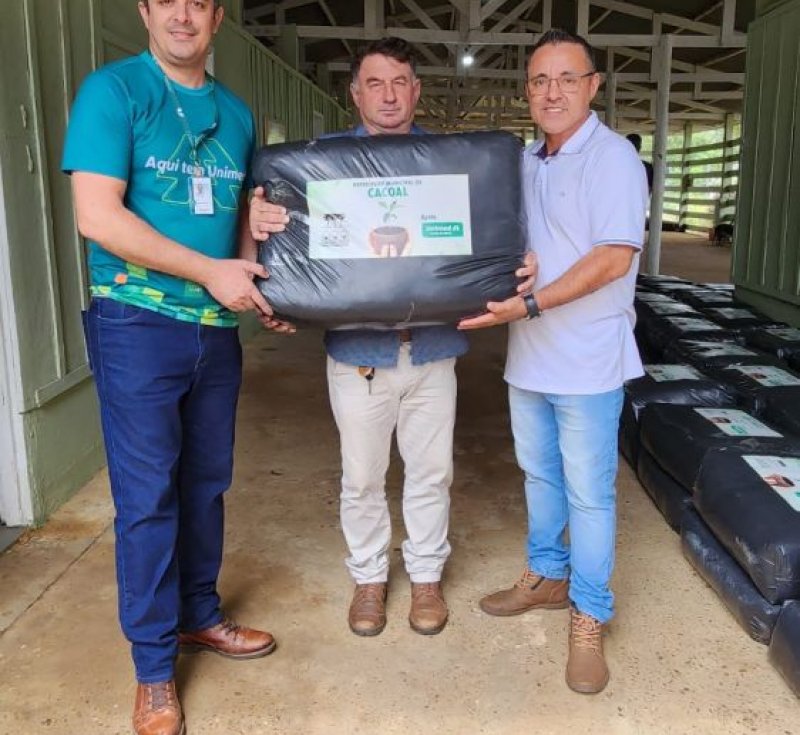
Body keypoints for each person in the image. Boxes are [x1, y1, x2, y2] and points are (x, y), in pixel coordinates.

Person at [249, 37, 535, 638]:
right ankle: (370, 578)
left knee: (431, 473)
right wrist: (258, 224)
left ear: (416, 91)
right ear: (355, 94)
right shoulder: (319, 169)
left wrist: (522, 264)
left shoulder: (452, 164)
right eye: (374, 83)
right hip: (359, 359)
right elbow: (286, 245)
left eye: (399, 82)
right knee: (361, 478)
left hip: (433, 354)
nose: (388, 95)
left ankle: (426, 576)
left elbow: (496, 231)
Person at [62, 2, 287, 733]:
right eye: (168, 0)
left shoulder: (237, 115)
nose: (182, 15)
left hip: (215, 330)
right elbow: (98, 216)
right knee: (147, 498)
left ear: (217, 17)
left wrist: (258, 279)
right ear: (145, 10)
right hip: (136, 323)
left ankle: (198, 614)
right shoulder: (114, 91)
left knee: (205, 484)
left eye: (199, 2)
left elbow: (236, 225)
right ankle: (154, 669)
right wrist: (211, 272)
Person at [460, 29, 648, 694]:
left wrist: (533, 301)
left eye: (568, 78)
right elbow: (507, 236)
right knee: (540, 476)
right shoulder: (526, 161)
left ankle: (589, 613)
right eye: (540, 80)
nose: (553, 92)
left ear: (593, 86)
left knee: (589, 495)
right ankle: (545, 574)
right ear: (527, 92)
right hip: (530, 359)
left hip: (588, 360)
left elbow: (613, 258)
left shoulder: (614, 157)